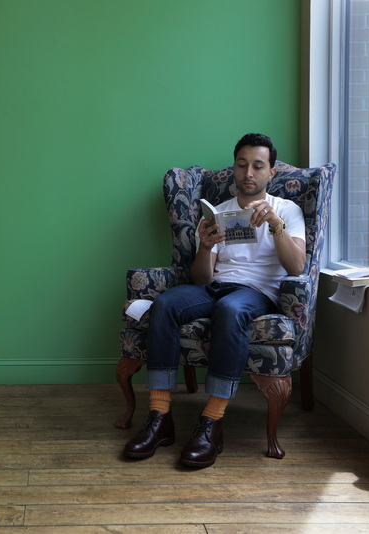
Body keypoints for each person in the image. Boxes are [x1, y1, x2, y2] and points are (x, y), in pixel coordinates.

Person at [123, 133, 306, 468]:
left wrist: (276, 226)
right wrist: (205, 247)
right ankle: (159, 416)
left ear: (271, 172)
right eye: (242, 164)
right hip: (216, 287)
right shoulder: (217, 213)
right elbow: (201, 280)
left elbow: (296, 267)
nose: (248, 172)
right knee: (166, 304)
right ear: (234, 169)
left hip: (256, 294)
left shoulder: (287, 211)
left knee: (230, 309)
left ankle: (211, 422)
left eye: (257, 165)